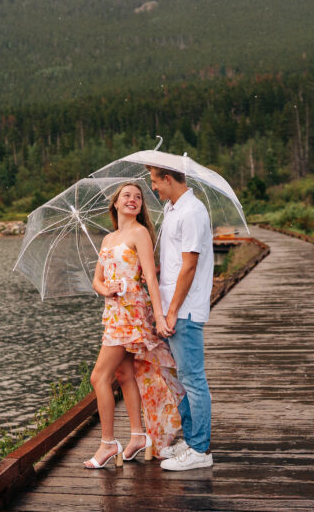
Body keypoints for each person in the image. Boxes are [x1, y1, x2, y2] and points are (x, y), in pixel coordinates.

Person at [84, 182, 184, 469]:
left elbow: (150, 278)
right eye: (126, 196)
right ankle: (138, 436)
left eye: (138, 197)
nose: (133, 200)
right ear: (115, 203)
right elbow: (96, 280)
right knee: (125, 374)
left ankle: (107, 443)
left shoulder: (140, 233)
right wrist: (106, 289)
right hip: (113, 313)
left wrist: (161, 316)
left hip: (132, 314)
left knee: (98, 378)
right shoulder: (107, 239)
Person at [148, 165, 215, 471]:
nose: (154, 188)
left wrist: (171, 311)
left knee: (193, 380)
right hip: (173, 307)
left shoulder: (192, 211)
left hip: (184, 310)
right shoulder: (172, 208)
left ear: (169, 179)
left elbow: (189, 266)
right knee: (183, 381)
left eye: (155, 182)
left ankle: (200, 450)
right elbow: (175, 262)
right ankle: (190, 442)